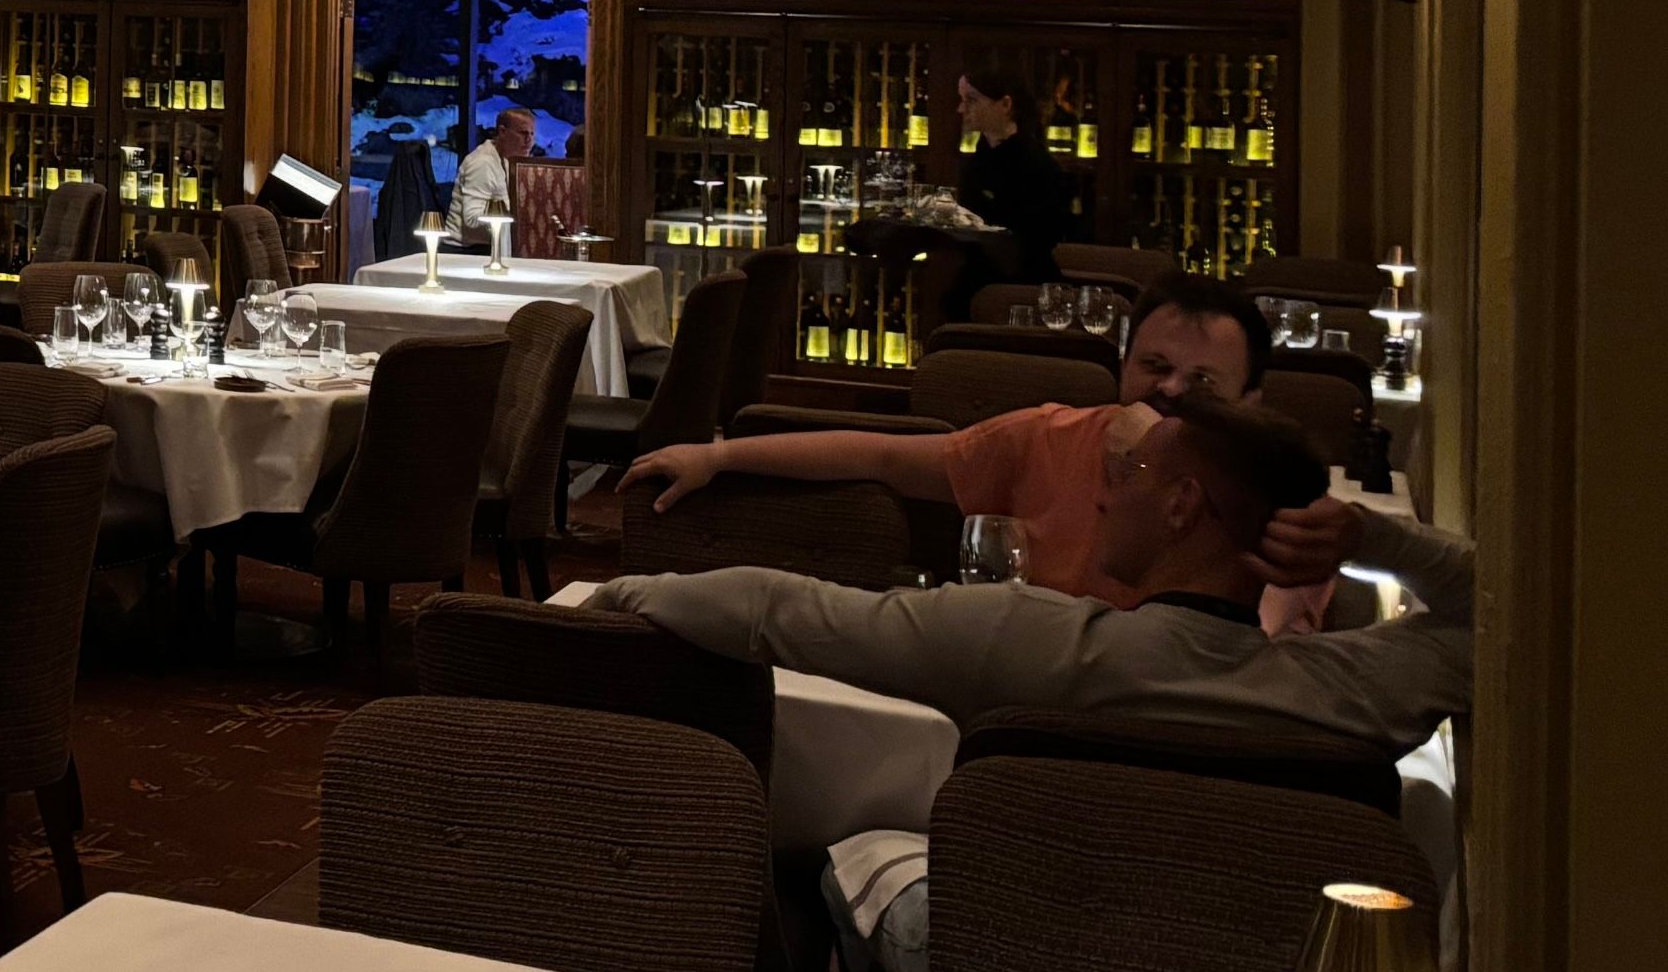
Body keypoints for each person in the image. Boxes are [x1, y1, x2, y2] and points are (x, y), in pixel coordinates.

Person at [592, 392, 1465, 752]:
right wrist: (1377, 540)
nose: (1107, 491)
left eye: (1134, 474)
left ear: (1180, 508)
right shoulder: (1349, 693)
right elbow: (1494, 617)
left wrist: (616, 596)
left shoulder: (1026, 639)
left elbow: (774, 610)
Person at [630, 273, 1290, 613]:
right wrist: (719, 454)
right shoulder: (1050, 438)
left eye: (1202, 381)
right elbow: (883, 455)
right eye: (1155, 366)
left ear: (1250, 402)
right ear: (1123, 365)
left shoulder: (1271, 506)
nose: (1170, 389)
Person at [950, 67, 1077, 280]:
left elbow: (1034, 239)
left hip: (1020, 281)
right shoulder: (982, 154)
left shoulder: (1035, 163)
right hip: (983, 271)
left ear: (1006, 105)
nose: (961, 109)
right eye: (962, 99)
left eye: (971, 100)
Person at [447, 106, 536, 240]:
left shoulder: (510, 160)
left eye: (532, 134)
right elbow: (472, 220)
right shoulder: (482, 163)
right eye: (523, 133)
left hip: (497, 244)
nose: (529, 139)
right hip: (468, 249)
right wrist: (521, 219)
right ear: (502, 132)